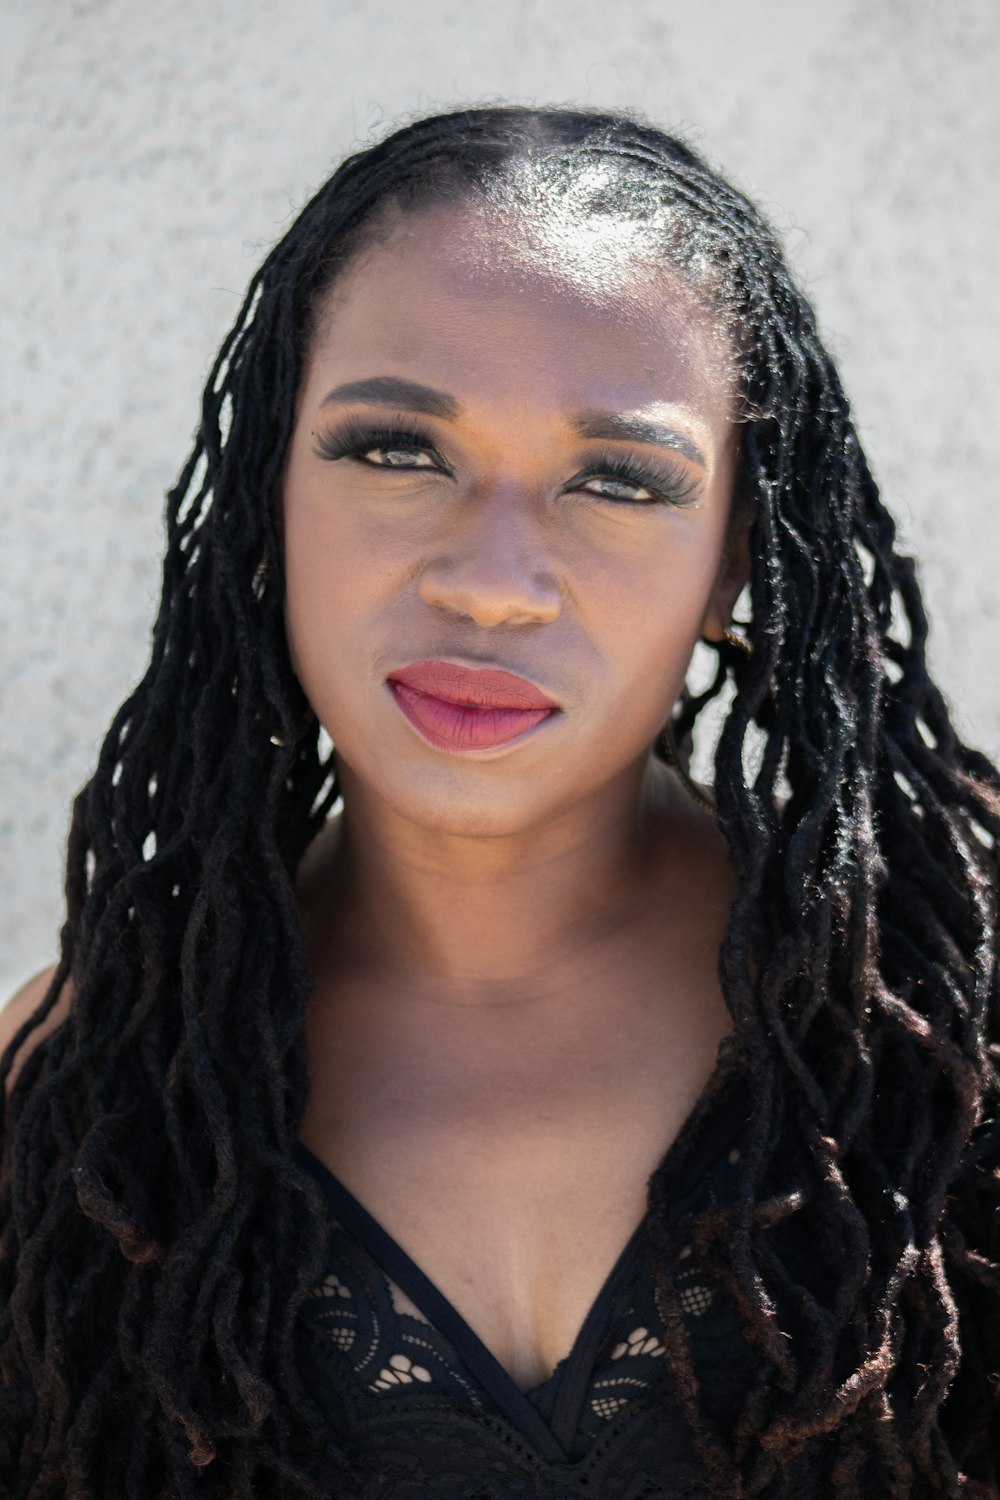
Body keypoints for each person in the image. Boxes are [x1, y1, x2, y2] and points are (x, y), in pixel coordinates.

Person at [0, 105, 997, 1500]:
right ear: (267, 494)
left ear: (734, 562)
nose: (492, 580)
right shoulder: (85, 1087)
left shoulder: (952, 1042)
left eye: (620, 479)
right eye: (398, 450)